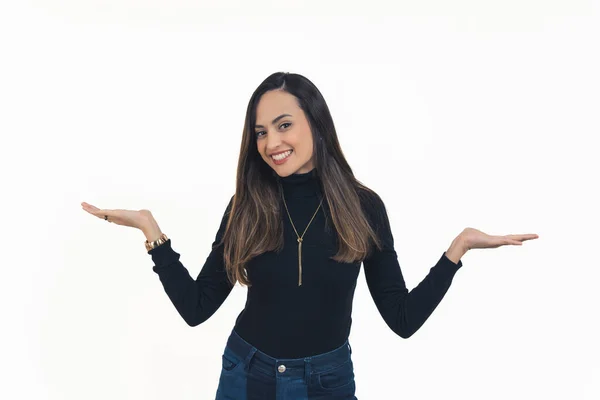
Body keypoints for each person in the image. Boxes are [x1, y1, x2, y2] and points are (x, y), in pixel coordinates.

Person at [81, 72, 538, 400]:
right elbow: (197, 308)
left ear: (315, 124)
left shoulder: (363, 208)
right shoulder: (246, 206)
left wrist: (456, 252)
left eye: (284, 125)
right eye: (260, 132)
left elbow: (402, 319)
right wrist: (151, 231)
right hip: (247, 374)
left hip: (327, 381)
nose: (270, 142)